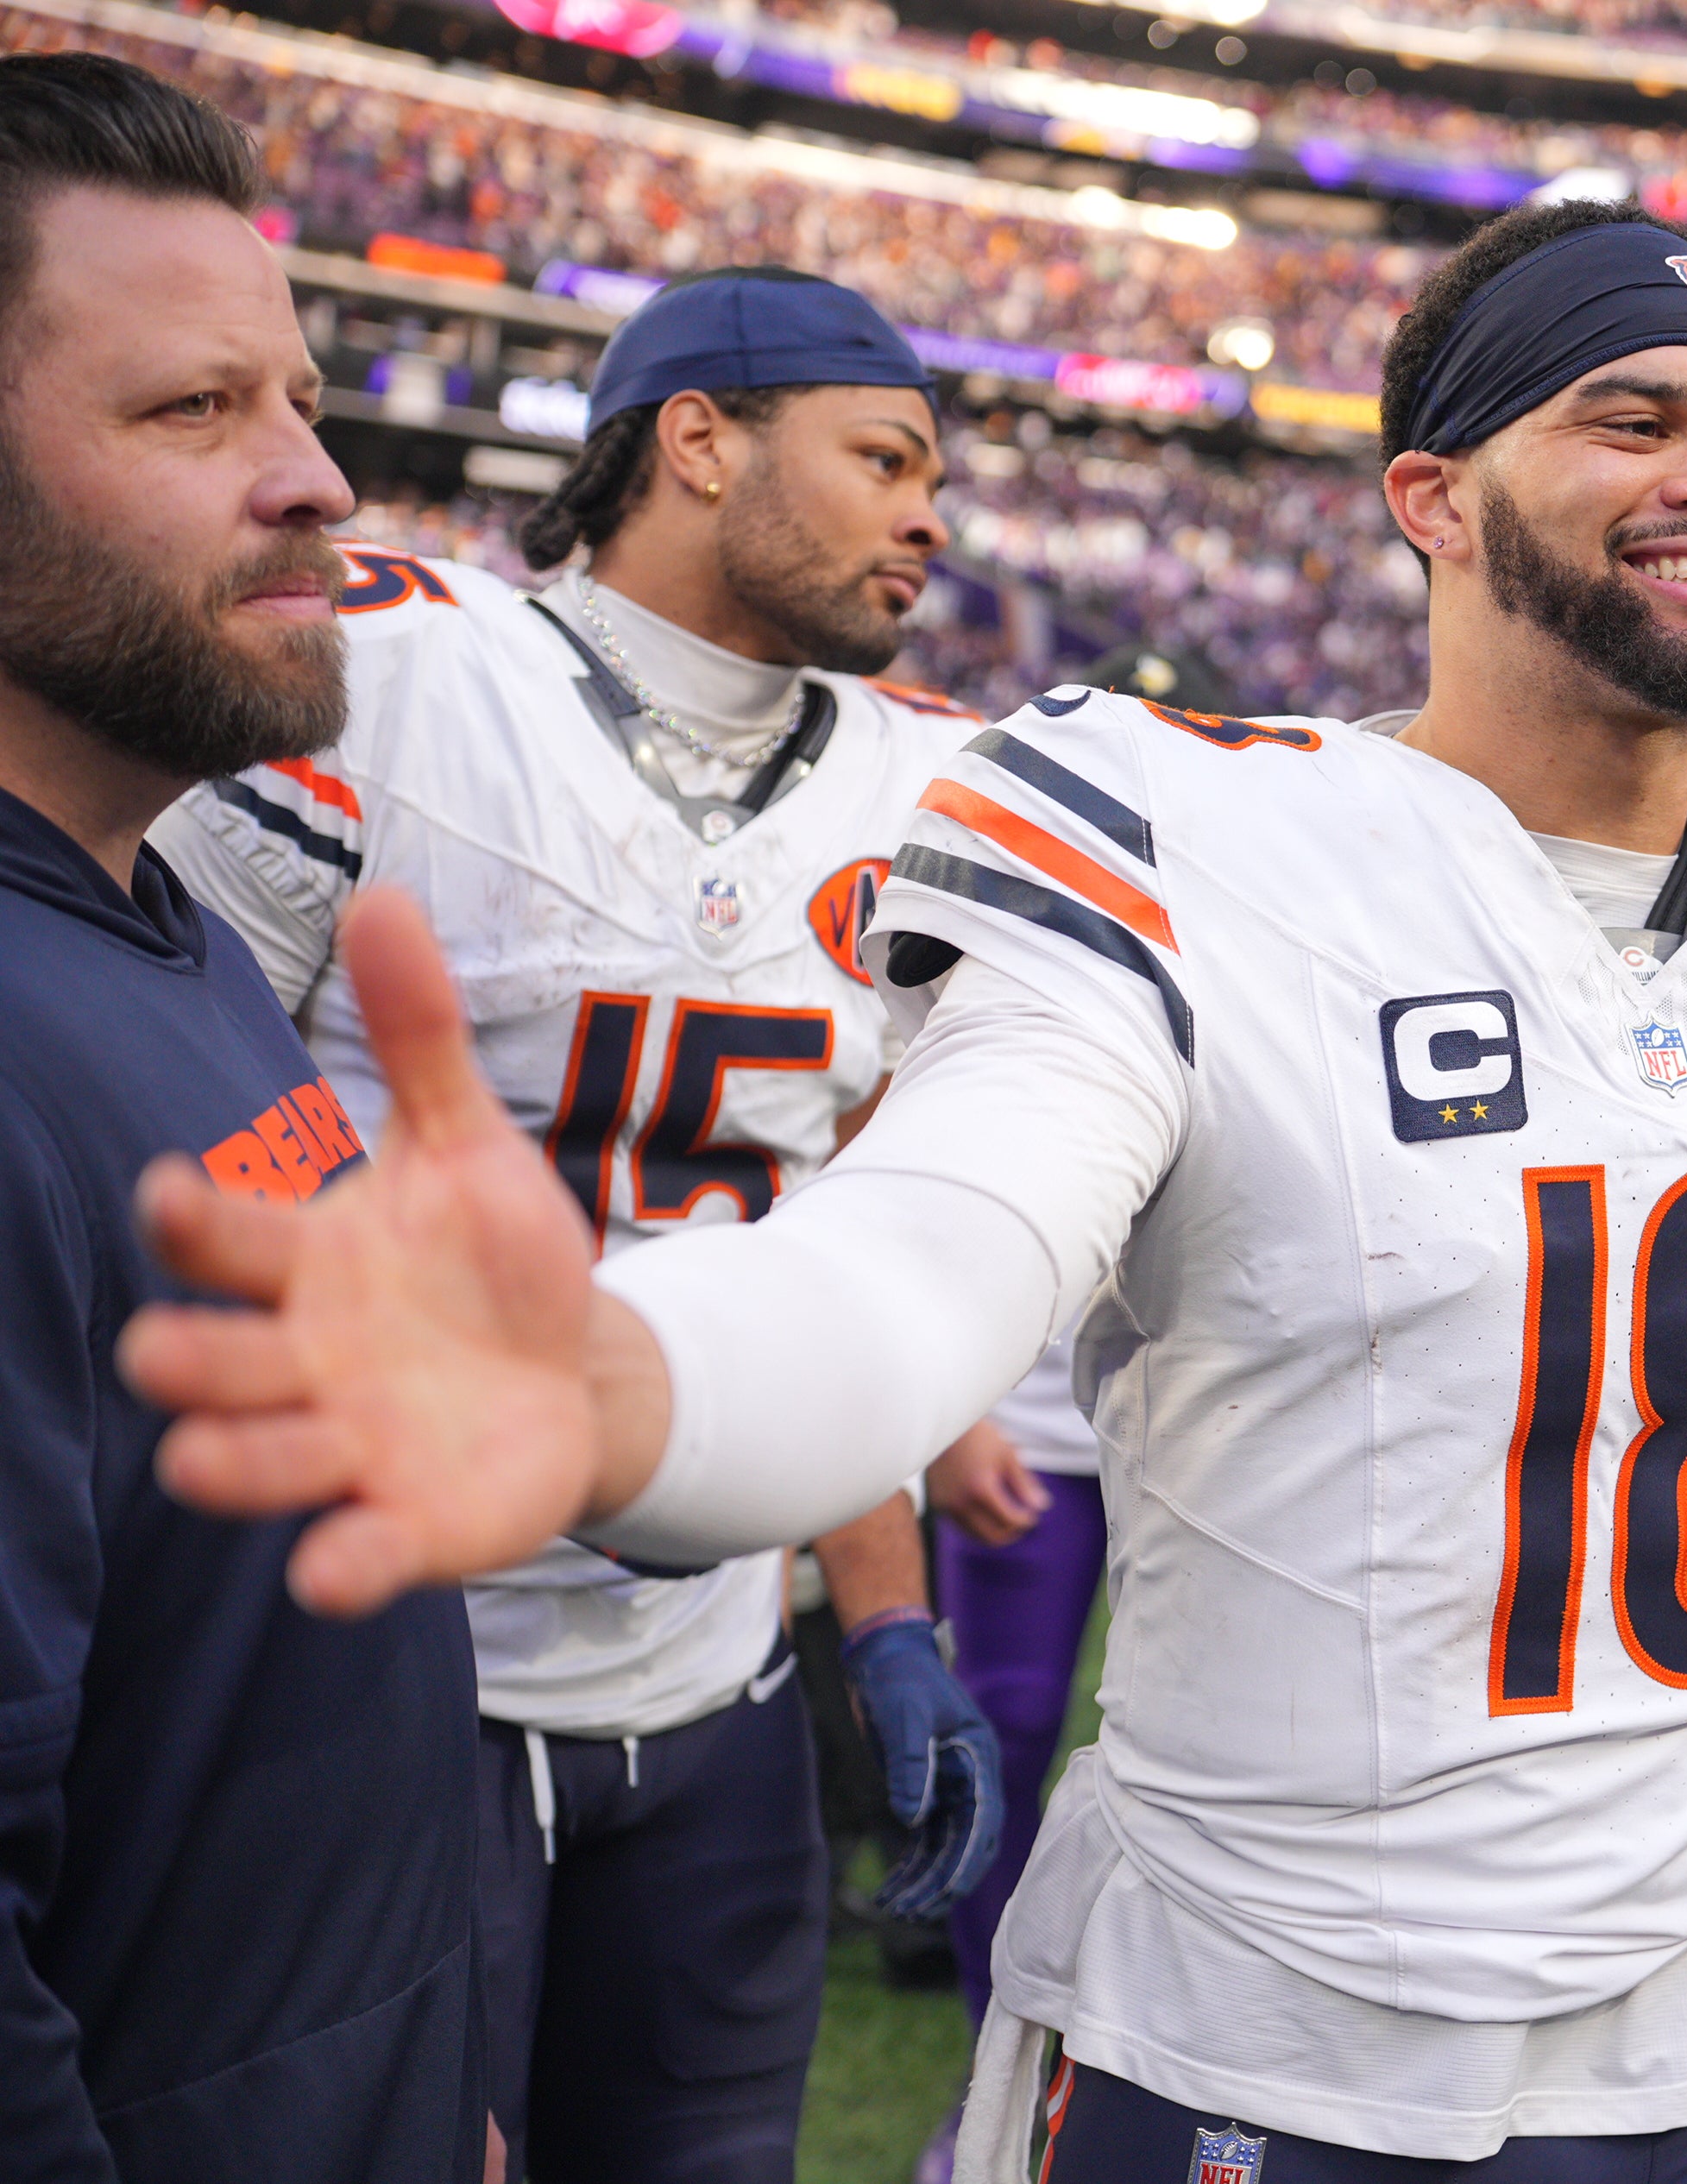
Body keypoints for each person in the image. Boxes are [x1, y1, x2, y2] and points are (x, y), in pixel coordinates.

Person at [122, 198, 1687, 2177]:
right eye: (1628, 420)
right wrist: (632, 1391)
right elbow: (934, 1251)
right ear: (1433, 499)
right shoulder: (1185, 839)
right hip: (1272, 2048)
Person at [148, 266, 1004, 2183]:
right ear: (697, 441)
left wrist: (888, 1623)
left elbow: (827, 1244)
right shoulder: (398, 673)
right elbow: (163, 1089)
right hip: (383, 1675)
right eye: (884, 458)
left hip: (714, 1683)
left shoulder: (926, 784)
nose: (933, 516)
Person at [0, 50, 487, 2180]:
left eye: (297, 402)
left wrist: (416, 2076)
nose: (316, 481)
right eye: (191, 411)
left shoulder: (164, 908)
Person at [899, 639, 1248, 2184]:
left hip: (1204, 1421)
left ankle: (1197, 2068)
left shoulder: (1262, 906)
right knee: (1012, 1728)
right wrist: (942, 1404)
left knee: (1230, 1752)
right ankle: (1000, 2058)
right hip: (1033, 1412)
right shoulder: (1004, 913)